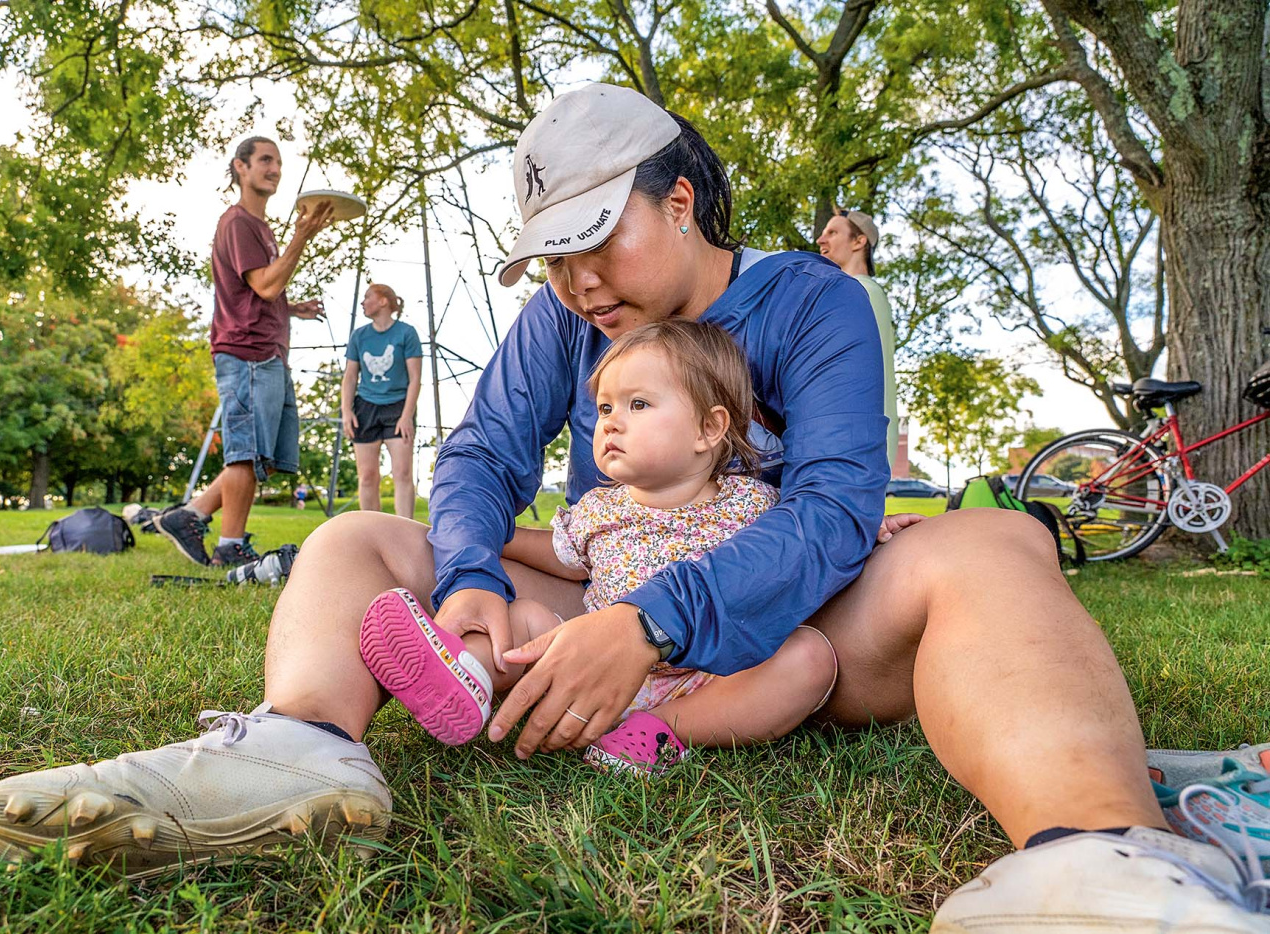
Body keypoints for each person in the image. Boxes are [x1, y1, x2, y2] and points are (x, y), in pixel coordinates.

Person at [0, 85, 1270, 929]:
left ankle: (1103, 859)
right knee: (358, 536)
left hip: (806, 622)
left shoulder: (810, 303)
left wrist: (650, 623)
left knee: (990, 538)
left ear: (683, 200)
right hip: (594, 593)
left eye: (602, 238)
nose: (577, 279)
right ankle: (304, 749)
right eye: (554, 254)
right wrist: (474, 570)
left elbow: (831, 511)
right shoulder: (560, 317)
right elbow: (477, 453)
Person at [357, 319, 845, 774]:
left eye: (638, 405)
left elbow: (806, 540)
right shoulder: (597, 507)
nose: (609, 423)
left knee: (808, 658)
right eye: (605, 408)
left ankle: (663, 731)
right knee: (526, 616)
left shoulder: (754, 502)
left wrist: (876, 527)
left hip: (710, 676)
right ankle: (466, 673)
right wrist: (494, 536)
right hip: (590, 666)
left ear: (709, 428)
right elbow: (565, 561)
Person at [156, 136, 333, 568]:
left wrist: (292, 308)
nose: (274, 169)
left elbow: (256, 292)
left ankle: (192, 515)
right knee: (247, 454)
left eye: (278, 162)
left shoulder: (262, 229)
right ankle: (229, 544)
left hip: (268, 352)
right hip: (247, 353)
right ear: (241, 167)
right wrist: (303, 237)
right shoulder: (237, 222)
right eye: (265, 160)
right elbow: (266, 284)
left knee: (263, 457)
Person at [817, 209, 899, 468]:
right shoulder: (861, 292)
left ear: (859, 241)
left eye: (832, 232)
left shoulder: (862, 292)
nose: (821, 240)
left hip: (855, 449)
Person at [341, 285, 422, 518]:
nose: (363, 302)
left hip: (398, 406)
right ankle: (372, 532)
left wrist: (407, 416)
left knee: (403, 473)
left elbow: (415, 378)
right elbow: (350, 376)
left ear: (384, 301)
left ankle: (405, 531)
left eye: (368, 297)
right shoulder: (359, 336)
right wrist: (346, 411)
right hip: (365, 406)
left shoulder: (406, 334)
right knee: (367, 476)